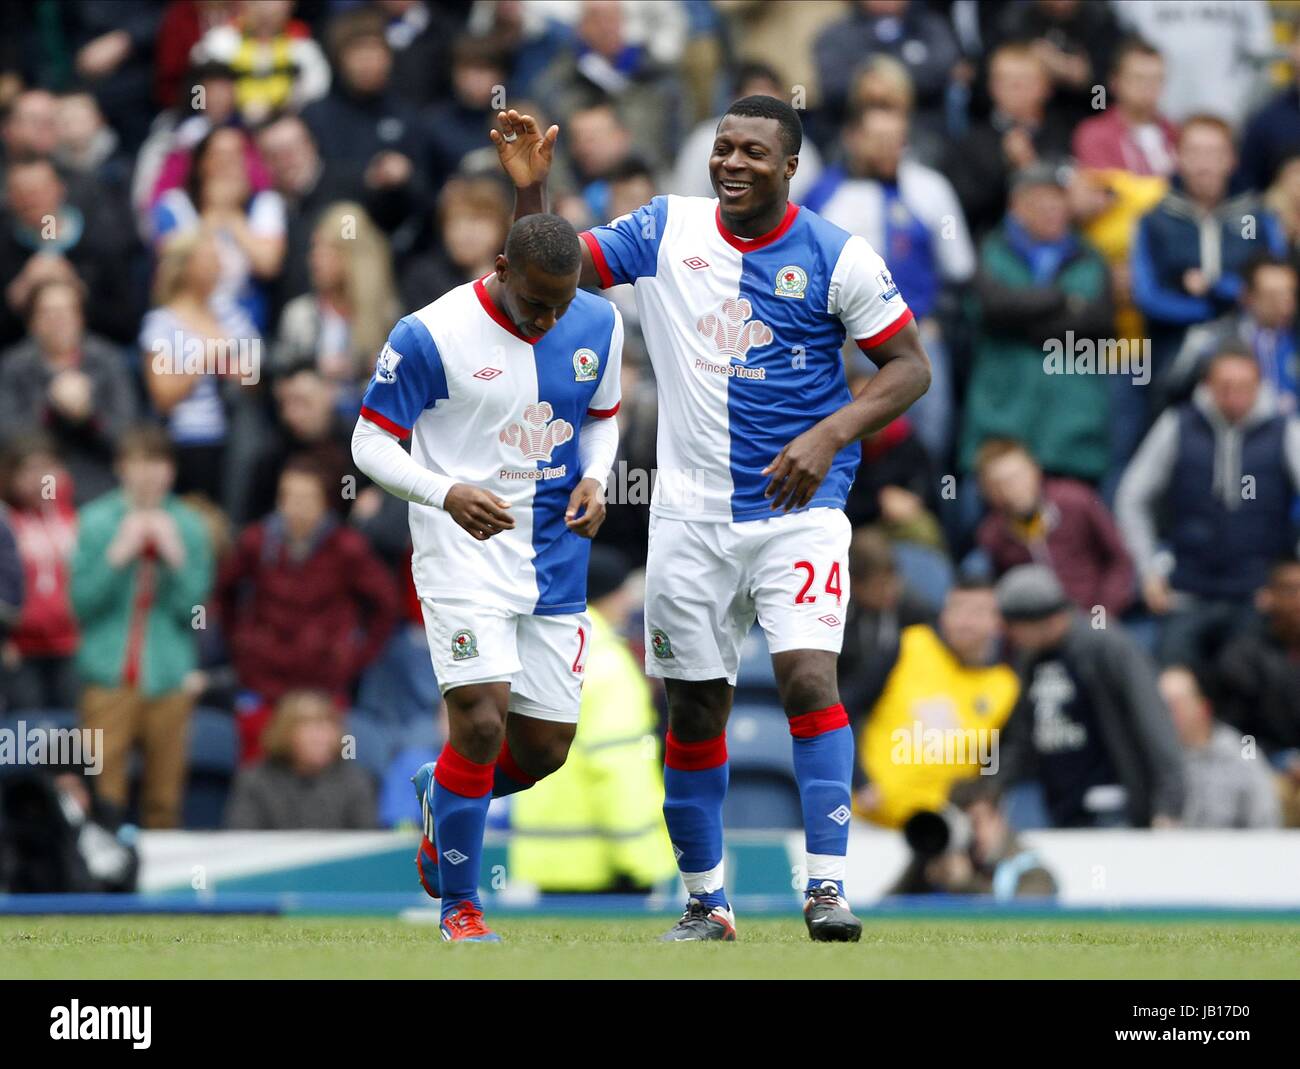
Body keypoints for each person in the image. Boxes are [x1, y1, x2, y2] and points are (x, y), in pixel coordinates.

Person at [493, 95, 931, 942]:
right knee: (694, 708)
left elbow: (908, 367)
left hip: (799, 506)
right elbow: (548, 271)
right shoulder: (665, 229)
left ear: (790, 166)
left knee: (809, 678)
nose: (732, 162)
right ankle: (706, 903)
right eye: (723, 147)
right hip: (688, 516)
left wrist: (829, 432)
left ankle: (829, 889)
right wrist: (532, 194)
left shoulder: (838, 256)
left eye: (754, 153)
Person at [351, 212, 623, 942]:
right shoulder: (429, 334)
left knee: (543, 751)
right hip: (460, 547)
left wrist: (597, 476)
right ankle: (461, 910)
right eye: (536, 302)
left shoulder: (597, 321)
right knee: (478, 720)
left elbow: (603, 417)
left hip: (554, 556)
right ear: (500, 268)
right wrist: (444, 491)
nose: (548, 317)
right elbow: (368, 441)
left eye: (561, 303)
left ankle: (444, 791)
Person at [508, 545, 677, 893]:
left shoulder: (546, 653)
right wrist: (642, 861)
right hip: (606, 865)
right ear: (610, 597)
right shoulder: (608, 665)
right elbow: (616, 767)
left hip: (547, 861)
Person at [1115, 349, 1300, 666]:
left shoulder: (1284, 430)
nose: (1234, 396)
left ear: (1259, 384)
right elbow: (1132, 496)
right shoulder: (1178, 424)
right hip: (1187, 592)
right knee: (1173, 680)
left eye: (1244, 386)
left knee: (1253, 686)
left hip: (1258, 595)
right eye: (1224, 386)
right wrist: (1147, 570)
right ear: (1207, 385)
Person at [69, 427, 213, 829]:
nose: (149, 474)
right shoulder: (95, 521)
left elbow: (195, 612)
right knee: (103, 790)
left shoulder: (189, 525)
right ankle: (105, 880)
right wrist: (117, 555)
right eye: (138, 463)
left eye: (159, 464)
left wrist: (177, 559)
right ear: (121, 469)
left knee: (165, 798)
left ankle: (161, 890)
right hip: (107, 674)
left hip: (169, 676)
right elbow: (81, 605)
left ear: (171, 471)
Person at [216, 456, 400, 761]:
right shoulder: (256, 543)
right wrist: (242, 644)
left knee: (323, 776)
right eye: (288, 497)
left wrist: (353, 657)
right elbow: (224, 592)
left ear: (323, 502)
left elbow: (385, 605)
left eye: (305, 498)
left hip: (322, 686)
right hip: (264, 683)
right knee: (258, 770)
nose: (295, 507)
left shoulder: (347, 549)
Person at [995, 564, 1184, 829]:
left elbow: (1153, 722)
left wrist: (1169, 804)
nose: (1011, 637)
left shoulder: (1106, 648)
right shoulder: (1031, 660)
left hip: (1114, 807)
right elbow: (1024, 738)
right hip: (1062, 806)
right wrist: (990, 788)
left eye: (1015, 627)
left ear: (1049, 619)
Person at [855, 578, 1019, 830]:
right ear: (943, 615)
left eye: (976, 612)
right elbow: (845, 710)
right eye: (957, 609)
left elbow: (997, 760)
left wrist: (981, 799)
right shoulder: (908, 646)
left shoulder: (1005, 686)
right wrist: (859, 780)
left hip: (943, 830)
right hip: (870, 819)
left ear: (998, 623)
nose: (965, 622)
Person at [0, 278, 138, 505]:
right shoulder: (14, 365)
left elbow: (127, 437)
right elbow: (7, 435)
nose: (58, 320)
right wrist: (51, 407)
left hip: (97, 478)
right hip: (34, 484)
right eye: (48, 312)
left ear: (81, 317)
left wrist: (88, 415)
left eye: (66, 311)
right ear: (32, 321)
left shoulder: (108, 360)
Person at [975, 439, 1134, 618]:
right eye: (999, 484)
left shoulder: (1075, 501)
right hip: (1036, 629)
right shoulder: (992, 534)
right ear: (986, 491)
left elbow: (1120, 560)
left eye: (1016, 477)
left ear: (1035, 471)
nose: (1011, 489)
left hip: (1094, 616)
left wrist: (1102, 613)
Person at [1214, 557, 1300, 827]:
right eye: (1290, 590)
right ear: (1268, 597)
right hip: (1269, 769)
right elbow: (1236, 736)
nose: (1299, 600)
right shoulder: (1242, 656)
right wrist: (1283, 761)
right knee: (1272, 795)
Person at [0, 436, 79, 711]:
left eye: (47, 469)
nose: (39, 479)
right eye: (29, 470)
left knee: (74, 744)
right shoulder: (6, 523)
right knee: (27, 740)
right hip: (20, 651)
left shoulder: (77, 521)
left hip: (72, 647)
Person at [224, 690, 377, 830]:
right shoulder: (255, 780)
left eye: (326, 728)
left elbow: (366, 845)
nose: (320, 738)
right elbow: (242, 840)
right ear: (285, 734)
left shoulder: (354, 779)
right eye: (309, 729)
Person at [1158, 666, 1280, 829]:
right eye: (1159, 706)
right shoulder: (1149, 756)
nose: (1165, 714)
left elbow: (1265, 820)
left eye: (1176, 705)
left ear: (1203, 708)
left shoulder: (1242, 751)